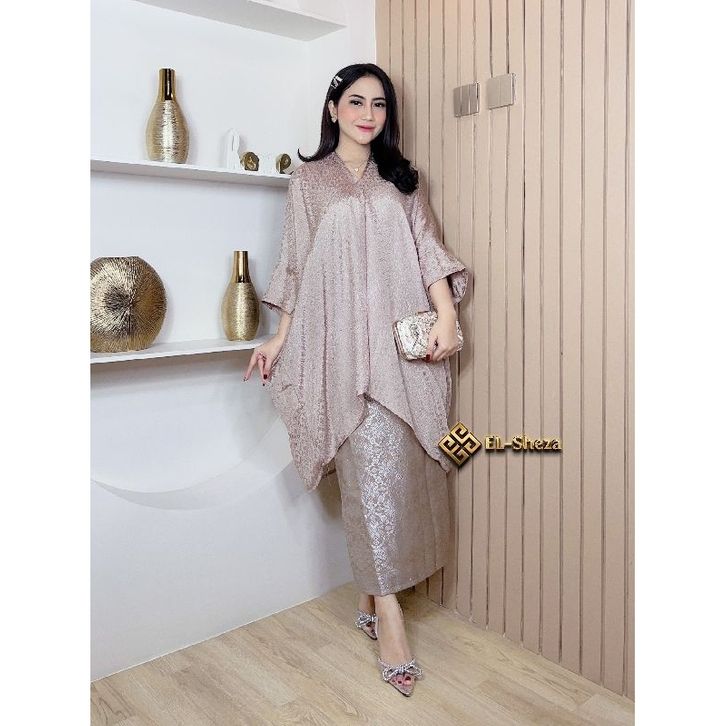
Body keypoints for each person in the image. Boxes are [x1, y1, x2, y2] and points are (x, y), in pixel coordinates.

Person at [243, 63, 469, 697]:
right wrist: (281, 337)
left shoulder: (402, 179)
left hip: (399, 352)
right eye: (356, 102)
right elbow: (296, 264)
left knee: (400, 480)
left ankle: (372, 598)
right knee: (366, 479)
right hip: (339, 350)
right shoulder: (309, 181)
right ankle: (390, 619)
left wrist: (447, 317)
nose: (368, 114)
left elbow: (427, 251)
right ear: (333, 109)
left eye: (379, 104)